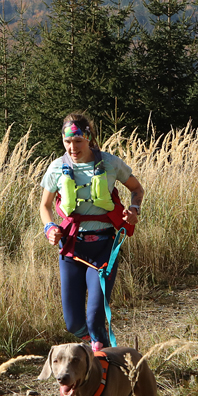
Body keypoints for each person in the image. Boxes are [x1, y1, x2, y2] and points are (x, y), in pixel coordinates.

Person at [39, 113, 144, 352]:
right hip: (71, 248)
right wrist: (49, 228)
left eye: (78, 141)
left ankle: (102, 360)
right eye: (67, 141)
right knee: (73, 323)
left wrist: (134, 209)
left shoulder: (110, 163)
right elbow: (45, 206)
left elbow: (137, 189)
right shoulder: (56, 167)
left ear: (89, 138)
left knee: (95, 317)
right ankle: (97, 344)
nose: (72, 147)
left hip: (104, 247)